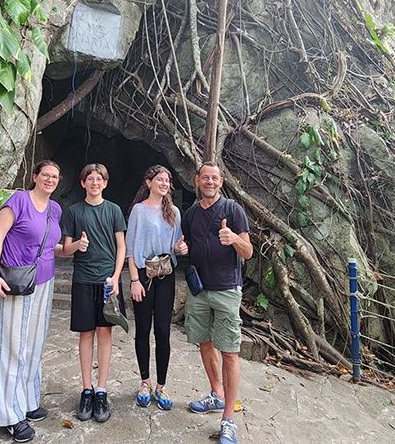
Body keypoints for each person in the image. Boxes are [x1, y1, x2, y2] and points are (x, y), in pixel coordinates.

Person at [0, 160, 65, 443]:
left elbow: (50, 245)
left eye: (55, 176)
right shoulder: (18, 201)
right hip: (15, 282)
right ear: (35, 176)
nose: (50, 180)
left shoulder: (55, 209)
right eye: (45, 175)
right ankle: (10, 415)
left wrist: (73, 247)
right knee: (14, 347)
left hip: (44, 281)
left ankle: (28, 401)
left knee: (34, 345)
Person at [182, 162, 253, 444]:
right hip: (199, 289)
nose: (209, 182)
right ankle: (216, 393)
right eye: (205, 178)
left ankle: (228, 419)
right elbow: (186, 243)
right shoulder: (190, 213)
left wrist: (234, 238)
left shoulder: (233, 210)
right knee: (205, 343)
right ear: (197, 181)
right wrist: (181, 248)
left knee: (230, 352)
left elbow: (248, 252)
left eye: (214, 178)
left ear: (221, 182)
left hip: (226, 290)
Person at [59, 163, 127, 423]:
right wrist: (78, 244)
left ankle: (101, 390)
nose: (95, 182)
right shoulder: (74, 212)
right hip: (83, 279)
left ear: (105, 183)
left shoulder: (114, 210)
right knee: (86, 333)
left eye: (99, 179)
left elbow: (121, 247)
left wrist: (116, 277)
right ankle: (86, 390)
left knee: (105, 332)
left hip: (107, 281)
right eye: (90, 178)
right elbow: (65, 249)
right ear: (83, 183)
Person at [126, 165, 189, 411]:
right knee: (143, 329)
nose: (164, 184)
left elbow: (176, 245)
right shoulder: (138, 211)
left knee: (163, 331)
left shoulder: (174, 212)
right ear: (149, 182)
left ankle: (161, 386)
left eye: (167, 181)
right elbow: (131, 248)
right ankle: (145, 382)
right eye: (160, 179)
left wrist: (180, 249)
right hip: (143, 274)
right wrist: (134, 280)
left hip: (166, 274)